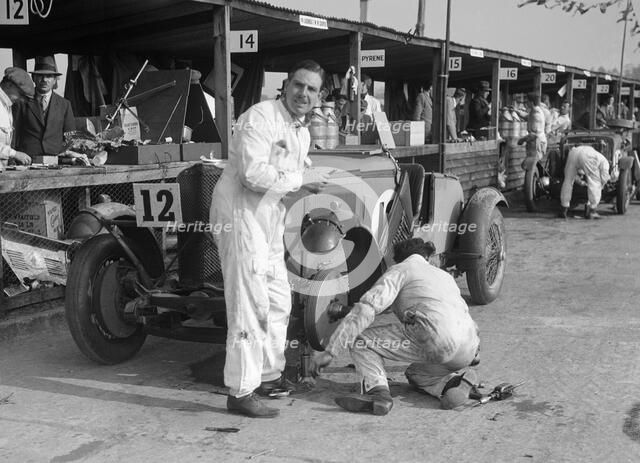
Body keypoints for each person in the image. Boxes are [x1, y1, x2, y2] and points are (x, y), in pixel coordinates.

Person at [210, 60, 328, 419]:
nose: (303, 93)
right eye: (298, 85)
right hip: (240, 217)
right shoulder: (259, 117)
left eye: (311, 89)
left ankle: (268, 375)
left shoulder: (301, 133)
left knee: (278, 300)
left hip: (269, 219)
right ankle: (241, 390)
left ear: (319, 96)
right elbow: (250, 173)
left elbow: (286, 180)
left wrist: (303, 184)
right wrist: (299, 182)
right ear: (285, 85)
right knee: (249, 303)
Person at [310, 238, 481, 415]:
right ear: (427, 257)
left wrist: (332, 350)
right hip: (468, 348)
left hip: (438, 340)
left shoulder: (401, 270)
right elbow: (460, 313)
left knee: (361, 341)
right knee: (416, 374)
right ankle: (454, 383)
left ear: (399, 259)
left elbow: (368, 308)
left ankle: (377, 394)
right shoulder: (444, 277)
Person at [13, 55, 75, 157]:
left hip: (56, 159)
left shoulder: (65, 104)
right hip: (28, 159)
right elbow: (14, 133)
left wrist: (65, 155)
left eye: (49, 76)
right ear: (33, 78)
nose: (44, 80)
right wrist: (14, 156)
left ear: (55, 80)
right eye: (40, 76)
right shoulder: (21, 102)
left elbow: (70, 136)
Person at [559, 145, 610, 219]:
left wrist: (580, 182)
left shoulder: (596, 154)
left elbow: (575, 175)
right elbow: (604, 177)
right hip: (587, 156)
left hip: (573, 153)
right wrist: (602, 185)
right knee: (594, 182)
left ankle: (564, 209)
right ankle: (592, 211)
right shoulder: (604, 161)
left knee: (568, 180)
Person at [0, 67, 34, 171]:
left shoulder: (6, 105)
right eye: (20, 94)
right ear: (9, 85)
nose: (22, 100)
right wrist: (14, 154)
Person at [518, 92, 547, 163]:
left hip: (537, 144)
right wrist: (516, 112)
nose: (526, 103)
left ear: (531, 102)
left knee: (531, 165)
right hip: (534, 143)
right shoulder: (534, 112)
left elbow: (533, 135)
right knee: (531, 165)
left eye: (527, 101)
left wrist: (522, 140)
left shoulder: (536, 115)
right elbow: (527, 117)